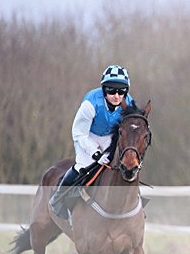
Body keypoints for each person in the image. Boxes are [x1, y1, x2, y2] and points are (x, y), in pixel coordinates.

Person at [50, 64, 136, 218]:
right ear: (104, 90)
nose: (117, 96)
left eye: (121, 91)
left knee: (123, 164)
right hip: (88, 135)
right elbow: (79, 134)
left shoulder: (129, 103)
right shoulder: (90, 104)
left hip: (111, 137)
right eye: (111, 90)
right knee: (83, 165)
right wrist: (96, 154)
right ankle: (58, 199)